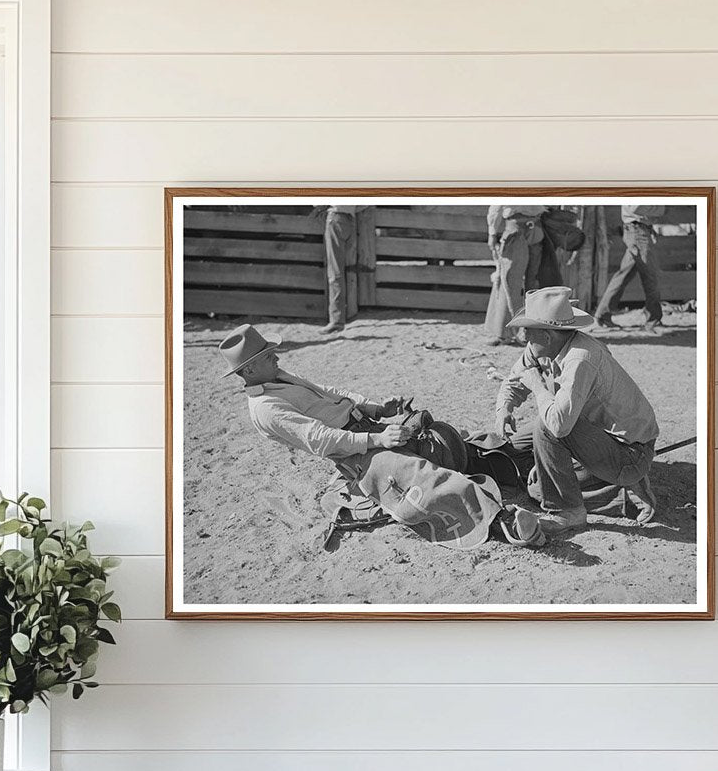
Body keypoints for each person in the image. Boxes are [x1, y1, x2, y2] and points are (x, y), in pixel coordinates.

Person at [219, 324, 544, 550]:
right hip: (352, 450)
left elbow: (329, 392)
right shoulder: (265, 408)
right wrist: (376, 441)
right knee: (414, 474)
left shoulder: (278, 377)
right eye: (267, 355)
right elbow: (319, 439)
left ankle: (521, 462)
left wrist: (374, 407)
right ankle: (502, 520)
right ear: (248, 371)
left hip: (365, 428)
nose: (276, 357)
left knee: (441, 435)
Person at [494, 287, 660, 532]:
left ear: (548, 336)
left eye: (528, 332)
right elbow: (515, 379)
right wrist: (504, 410)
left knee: (546, 434)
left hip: (630, 453)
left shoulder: (580, 359)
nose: (524, 338)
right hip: (592, 434)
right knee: (515, 448)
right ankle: (602, 483)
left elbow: (559, 426)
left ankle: (570, 511)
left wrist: (539, 387)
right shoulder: (544, 347)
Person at [593, 204, 665, 330]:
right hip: (638, 230)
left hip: (637, 229)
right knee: (650, 275)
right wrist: (660, 209)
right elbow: (635, 208)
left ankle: (603, 315)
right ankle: (653, 319)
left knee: (624, 275)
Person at [483, 204, 547, 345]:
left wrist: (492, 233)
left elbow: (497, 205)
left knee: (518, 281)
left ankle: (517, 332)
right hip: (526, 230)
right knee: (520, 281)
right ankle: (513, 332)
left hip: (526, 229)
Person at [321, 205, 362, 336]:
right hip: (350, 219)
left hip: (335, 217)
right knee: (347, 268)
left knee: (335, 272)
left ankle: (337, 320)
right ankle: (348, 313)